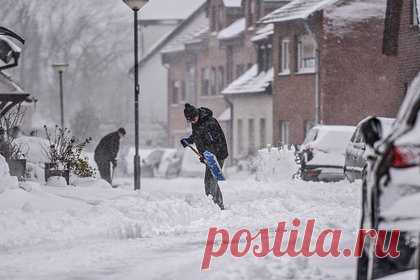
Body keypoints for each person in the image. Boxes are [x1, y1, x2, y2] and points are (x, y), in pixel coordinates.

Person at [180, 103, 228, 210]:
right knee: (209, 181)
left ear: (197, 114)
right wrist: (188, 140)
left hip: (218, 154)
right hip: (209, 155)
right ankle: (216, 204)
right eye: (190, 120)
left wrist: (209, 155)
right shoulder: (196, 123)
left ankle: (216, 206)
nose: (192, 121)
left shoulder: (210, 122)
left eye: (193, 118)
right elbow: (197, 136)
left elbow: (215, 141)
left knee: (212, 180)